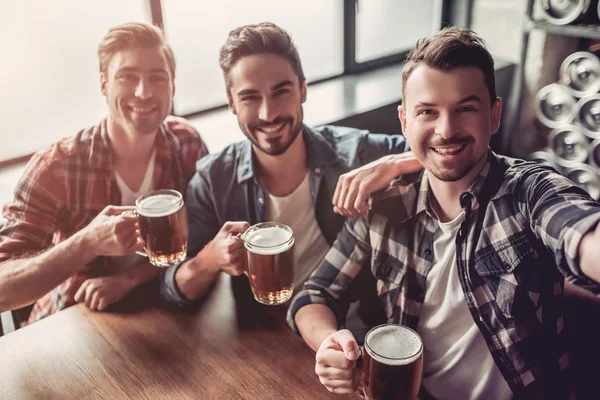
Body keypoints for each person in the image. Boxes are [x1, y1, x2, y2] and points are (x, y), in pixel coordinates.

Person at [288, 27, 600, 399]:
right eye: (427, 112)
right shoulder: (383, 204)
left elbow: (581, 233)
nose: (447, 129)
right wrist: (327, 343)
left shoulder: (528, 191)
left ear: (494, 114)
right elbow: (314, 294)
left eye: (466, 108)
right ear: (405, 121)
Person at [160, 22, 420, 332]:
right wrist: (210, 259)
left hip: (355, 330)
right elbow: (174, 292)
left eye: (281, 92)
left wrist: (391, 163)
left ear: (302, 90)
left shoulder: (356, 153)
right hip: (267, 340)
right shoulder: (213, 179)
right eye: (250, 98)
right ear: (231, 103)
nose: (268, 114)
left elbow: (447, 156)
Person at [0, 22, 208, 324]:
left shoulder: (186, 144)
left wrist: (130, 280)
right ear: (103, 84)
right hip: (69, 325)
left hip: (161, 312)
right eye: (127, 76)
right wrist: (87, 243)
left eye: (157, 77)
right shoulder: (57, 166)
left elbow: (202, 233)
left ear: (172, 86)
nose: (144, 91)